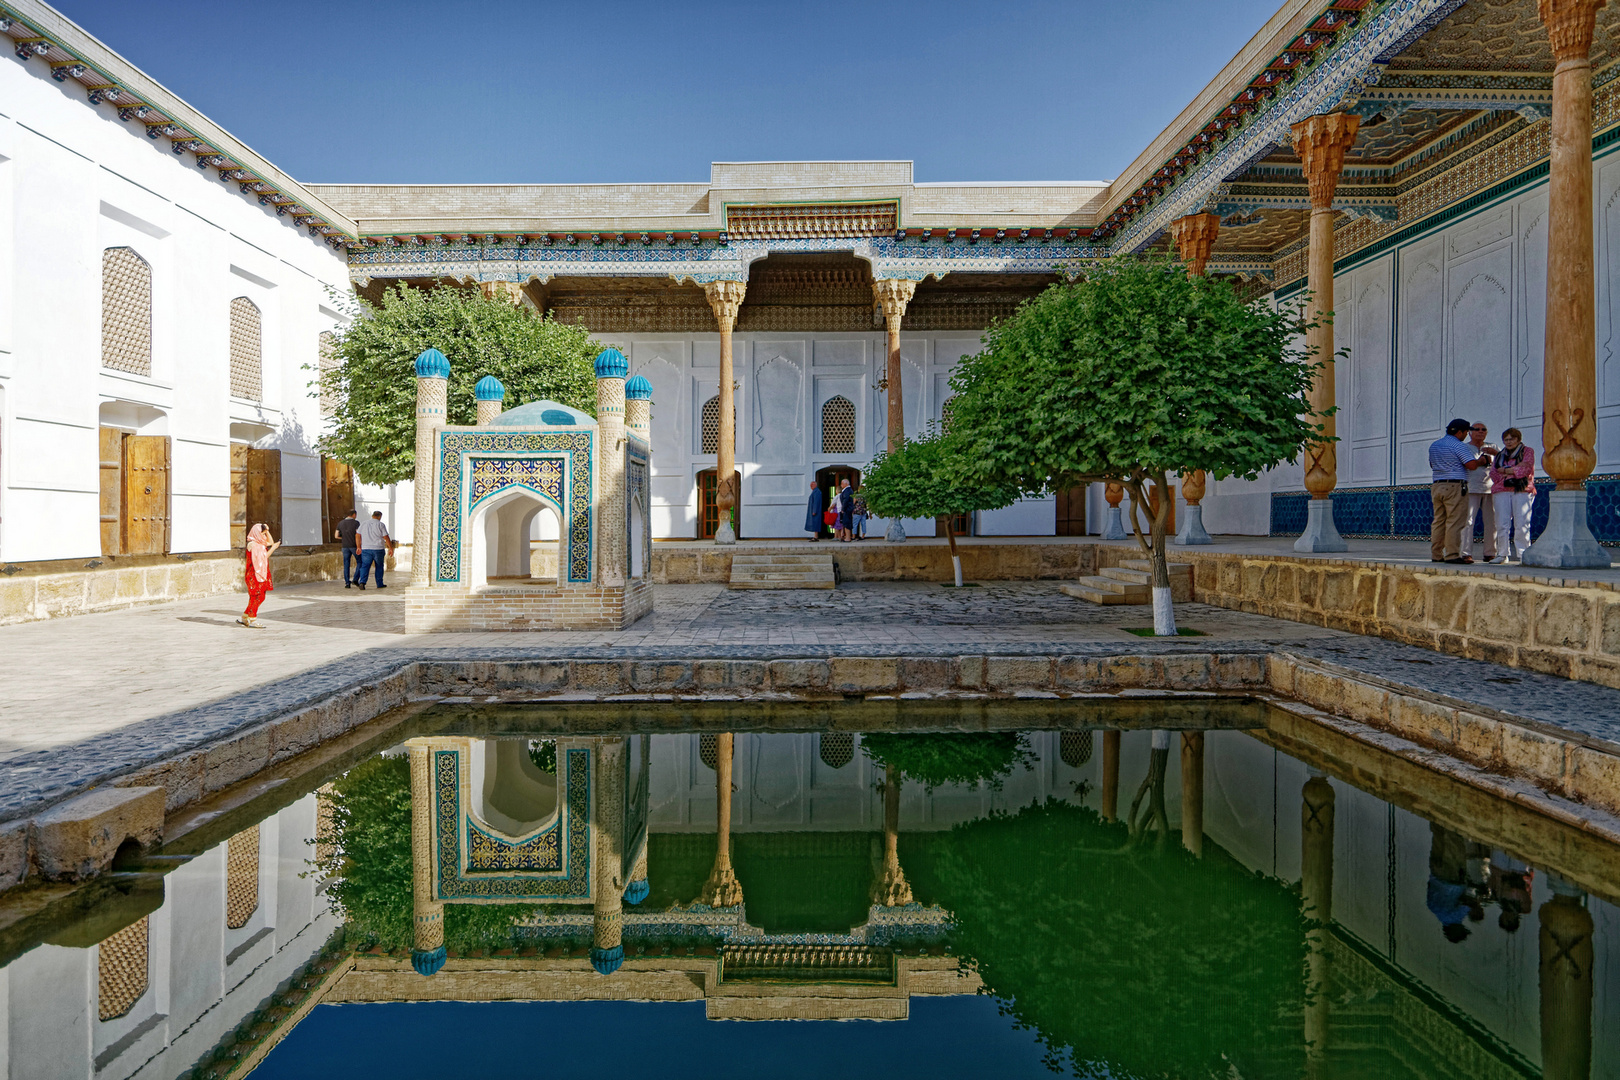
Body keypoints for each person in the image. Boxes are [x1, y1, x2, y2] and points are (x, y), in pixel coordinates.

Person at [1429, 418, 1488, 564]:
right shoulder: (1459, 446)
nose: (1466, 435)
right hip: (1455, 486)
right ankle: (1452, 555)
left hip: (1437, 485)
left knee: (1439, 521)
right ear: (1460, 432)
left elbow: (1432, 464)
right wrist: (1483, 460)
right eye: (1466, 432)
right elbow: (1471, 465)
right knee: (1455, 522)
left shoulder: (1434, 445)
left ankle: (1436, 554)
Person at [1489, 428, 1536, 564]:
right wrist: (1513, 471)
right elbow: (1493, 473)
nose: (1509, 442)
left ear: (1518, 439)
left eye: (1512, 439)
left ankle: (1523, 555)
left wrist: (1505, 470)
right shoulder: (1499, 455)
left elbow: (1525, 468)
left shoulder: (1527, 451)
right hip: (1501, 490)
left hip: (1522, 490)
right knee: (1501, 524)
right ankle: (1502, 554)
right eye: (1506, 439)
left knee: (1522, 523)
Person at [1465, 422, 1498, 562]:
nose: (1480, 432)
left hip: (1490, 488)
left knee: (1492, 522)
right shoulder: (1465, 448)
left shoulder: (1493, 447)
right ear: (1470, 432)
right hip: (1470, 488)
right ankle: (1465, 553)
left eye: (1483, 429)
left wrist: (1495, 454)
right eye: (1476, 429)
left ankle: (1490, 552)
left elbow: (1504, 461)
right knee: (1468, 521)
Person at [239, 523, 280, 628]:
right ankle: (252, 619)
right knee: (258, 596)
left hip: (259, 572)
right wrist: (274, 548)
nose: (264, 536)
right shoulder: (254, 545)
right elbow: (264, 557)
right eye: (262, 533)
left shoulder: (259, 542)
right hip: (255, 574)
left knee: (256, 597)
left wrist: (267, 530)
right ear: (257, 533)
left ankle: (245, 617)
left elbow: (270, 542)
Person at [355, 510, 392, 589]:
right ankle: (379, 583)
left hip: (366, 548)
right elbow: (386, 537)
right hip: (378, 548)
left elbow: (357, 535)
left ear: (372, 516)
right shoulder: (380, 524)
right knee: (379, 566)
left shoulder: (364, 523)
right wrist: (390, 548)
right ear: (379, 517)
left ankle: (362, 582)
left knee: (365, 566)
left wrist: (358, 546)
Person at [334, 509, 361, 587]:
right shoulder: (356, 523)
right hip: (354, 546)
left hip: (345, 546)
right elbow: (358, 534)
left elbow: (336, 536)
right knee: (360, 562)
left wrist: (344, 538)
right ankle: (355, 579)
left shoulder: (340, 523)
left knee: (346, 564)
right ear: (354, 515)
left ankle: (347, 582)